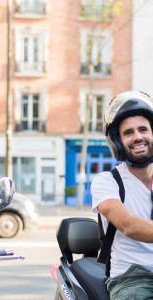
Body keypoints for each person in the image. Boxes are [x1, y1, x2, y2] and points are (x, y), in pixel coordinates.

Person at [91, 90, 153, 300]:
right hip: (132, 278)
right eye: (129, 133)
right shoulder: (107, 182)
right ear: (118, 142)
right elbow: (129, 225)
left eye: (143, 129)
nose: (138, 137)